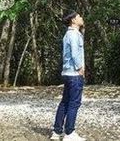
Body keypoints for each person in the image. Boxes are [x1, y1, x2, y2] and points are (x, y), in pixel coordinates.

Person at [51, 11, 86, 141]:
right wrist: (80, 68)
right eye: (79, 17)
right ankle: (70, 133)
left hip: (67, 73)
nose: (81, 18)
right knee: (74, 103)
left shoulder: (68, 34)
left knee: (65, 102)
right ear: (73, 20)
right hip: (74, 73)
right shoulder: (74, 35)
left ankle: (57, 131)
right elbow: (75, 53)